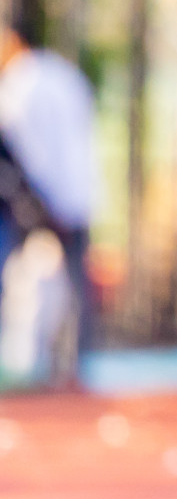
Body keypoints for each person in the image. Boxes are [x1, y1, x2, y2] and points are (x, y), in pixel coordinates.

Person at [0, 22, 96, 382]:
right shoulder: (64, 74)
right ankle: (73, 365)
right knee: (74, 285)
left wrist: (38, 202)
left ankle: (34, 365)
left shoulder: (17, 85)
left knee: (22, 281)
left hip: (38, 198)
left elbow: (22, 151)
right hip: (75, 193)